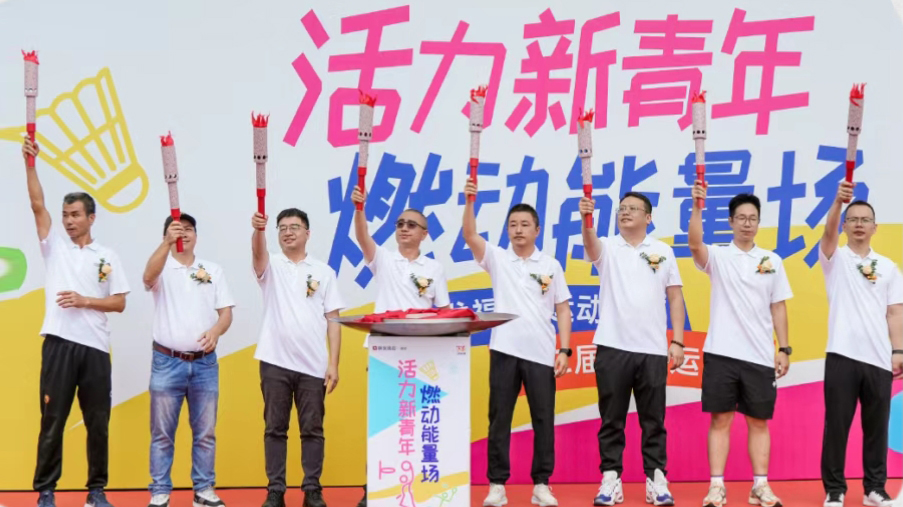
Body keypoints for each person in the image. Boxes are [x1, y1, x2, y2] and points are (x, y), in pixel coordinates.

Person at [23, 138, 129, 507]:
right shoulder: (55, 247)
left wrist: (85, 301)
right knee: (52, 419)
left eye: (75, 215)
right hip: (59, 344)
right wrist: (30, 164)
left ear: (91, 218)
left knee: (98, 423)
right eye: (65, 215)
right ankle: (46, 491)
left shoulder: (107, 256)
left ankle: (96, 491)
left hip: (95, 348)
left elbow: (119, 302)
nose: (68, 221)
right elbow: (37, 204)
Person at [461, 180, 572, 507]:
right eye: (512, 225)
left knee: (543, 420)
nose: (518, 230)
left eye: (524, 224)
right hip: (505, 350)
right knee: (499, 419)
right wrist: (470, 201)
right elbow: (470, 235)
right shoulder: (498, 258)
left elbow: (563, 309)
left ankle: (541, 485)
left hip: (541, 353)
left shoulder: (550, 265)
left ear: (537, 230)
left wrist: (564, 349)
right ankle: (497, 485)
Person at [689, 184, 792, 507]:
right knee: (720, 420)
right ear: (731, 221)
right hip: (721, 353)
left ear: (758, 222)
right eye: (741, 218)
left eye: (753, 218)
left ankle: (760, 485)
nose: (747, 223)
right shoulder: (719, 256)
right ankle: (716, 486)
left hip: (759, 356)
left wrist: (784, 348)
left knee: (758, 422)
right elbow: (694, 244)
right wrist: (697, 206)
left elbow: (778, 306)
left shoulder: (771, 260)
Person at [579, 193, 685, 506]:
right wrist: (586, 219)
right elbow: (590, 245)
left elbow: (675, 297)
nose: (625, 213)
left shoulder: (662, 251)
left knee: (653, 420)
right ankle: (611, 478)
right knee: (611, 420)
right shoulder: (608, 247)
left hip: (652, 349)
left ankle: (656, 480)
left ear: (648, 217)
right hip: (613, 347)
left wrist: (677, 341)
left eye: (632, 209)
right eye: (621, 209)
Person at [350, 186, 451, 507]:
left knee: (417, 425)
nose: (404, 228)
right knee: (383, 424)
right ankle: (374, 489)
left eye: (411, 225)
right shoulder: (384, 259)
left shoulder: (434, 269)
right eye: (400, 224)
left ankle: (415, 489)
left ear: (424, 234)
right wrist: (359, 209)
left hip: (421, 356)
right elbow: (362, 236)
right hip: (385, 351)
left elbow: (445, 314)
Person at [252, 209, 344, 507]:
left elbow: (333, 320)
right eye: (282, 228)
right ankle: (275, 490)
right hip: (275, 362)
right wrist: (258, 230)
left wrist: (333, 364)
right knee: (275, 428)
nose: (288, 232)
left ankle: (312, 490)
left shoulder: (323, 272)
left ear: (307, 233)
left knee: (312, 430)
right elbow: (258, 254)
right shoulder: (271, 265)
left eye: (294, 227)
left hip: (313, 365)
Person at [818, 181, 902, 507]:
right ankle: (835, 489)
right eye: (852, 220)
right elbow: (827, 233)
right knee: (837, 427)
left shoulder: (889, 267)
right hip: (841, 355)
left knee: (877, 428)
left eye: (865, 220)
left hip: (879, 359)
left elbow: (895, 312)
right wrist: (838, 203)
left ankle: (874, 489)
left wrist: (898, 350)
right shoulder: (835, 258)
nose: (858, 225)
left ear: (874, 227)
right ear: (844, 225)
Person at [142, 213, 235, 507]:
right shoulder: (161, 268)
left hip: (205, 364)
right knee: (162, 433)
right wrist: (166, 244)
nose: (184, 234)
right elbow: (147, 278)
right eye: (177, 230)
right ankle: (160, 492)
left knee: (205, 432)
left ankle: (203, 491)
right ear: (167, 235)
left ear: (196, 235)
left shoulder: (212, 270)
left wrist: (216, 331)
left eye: (189, 229)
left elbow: (226, 312)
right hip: (167, 362)